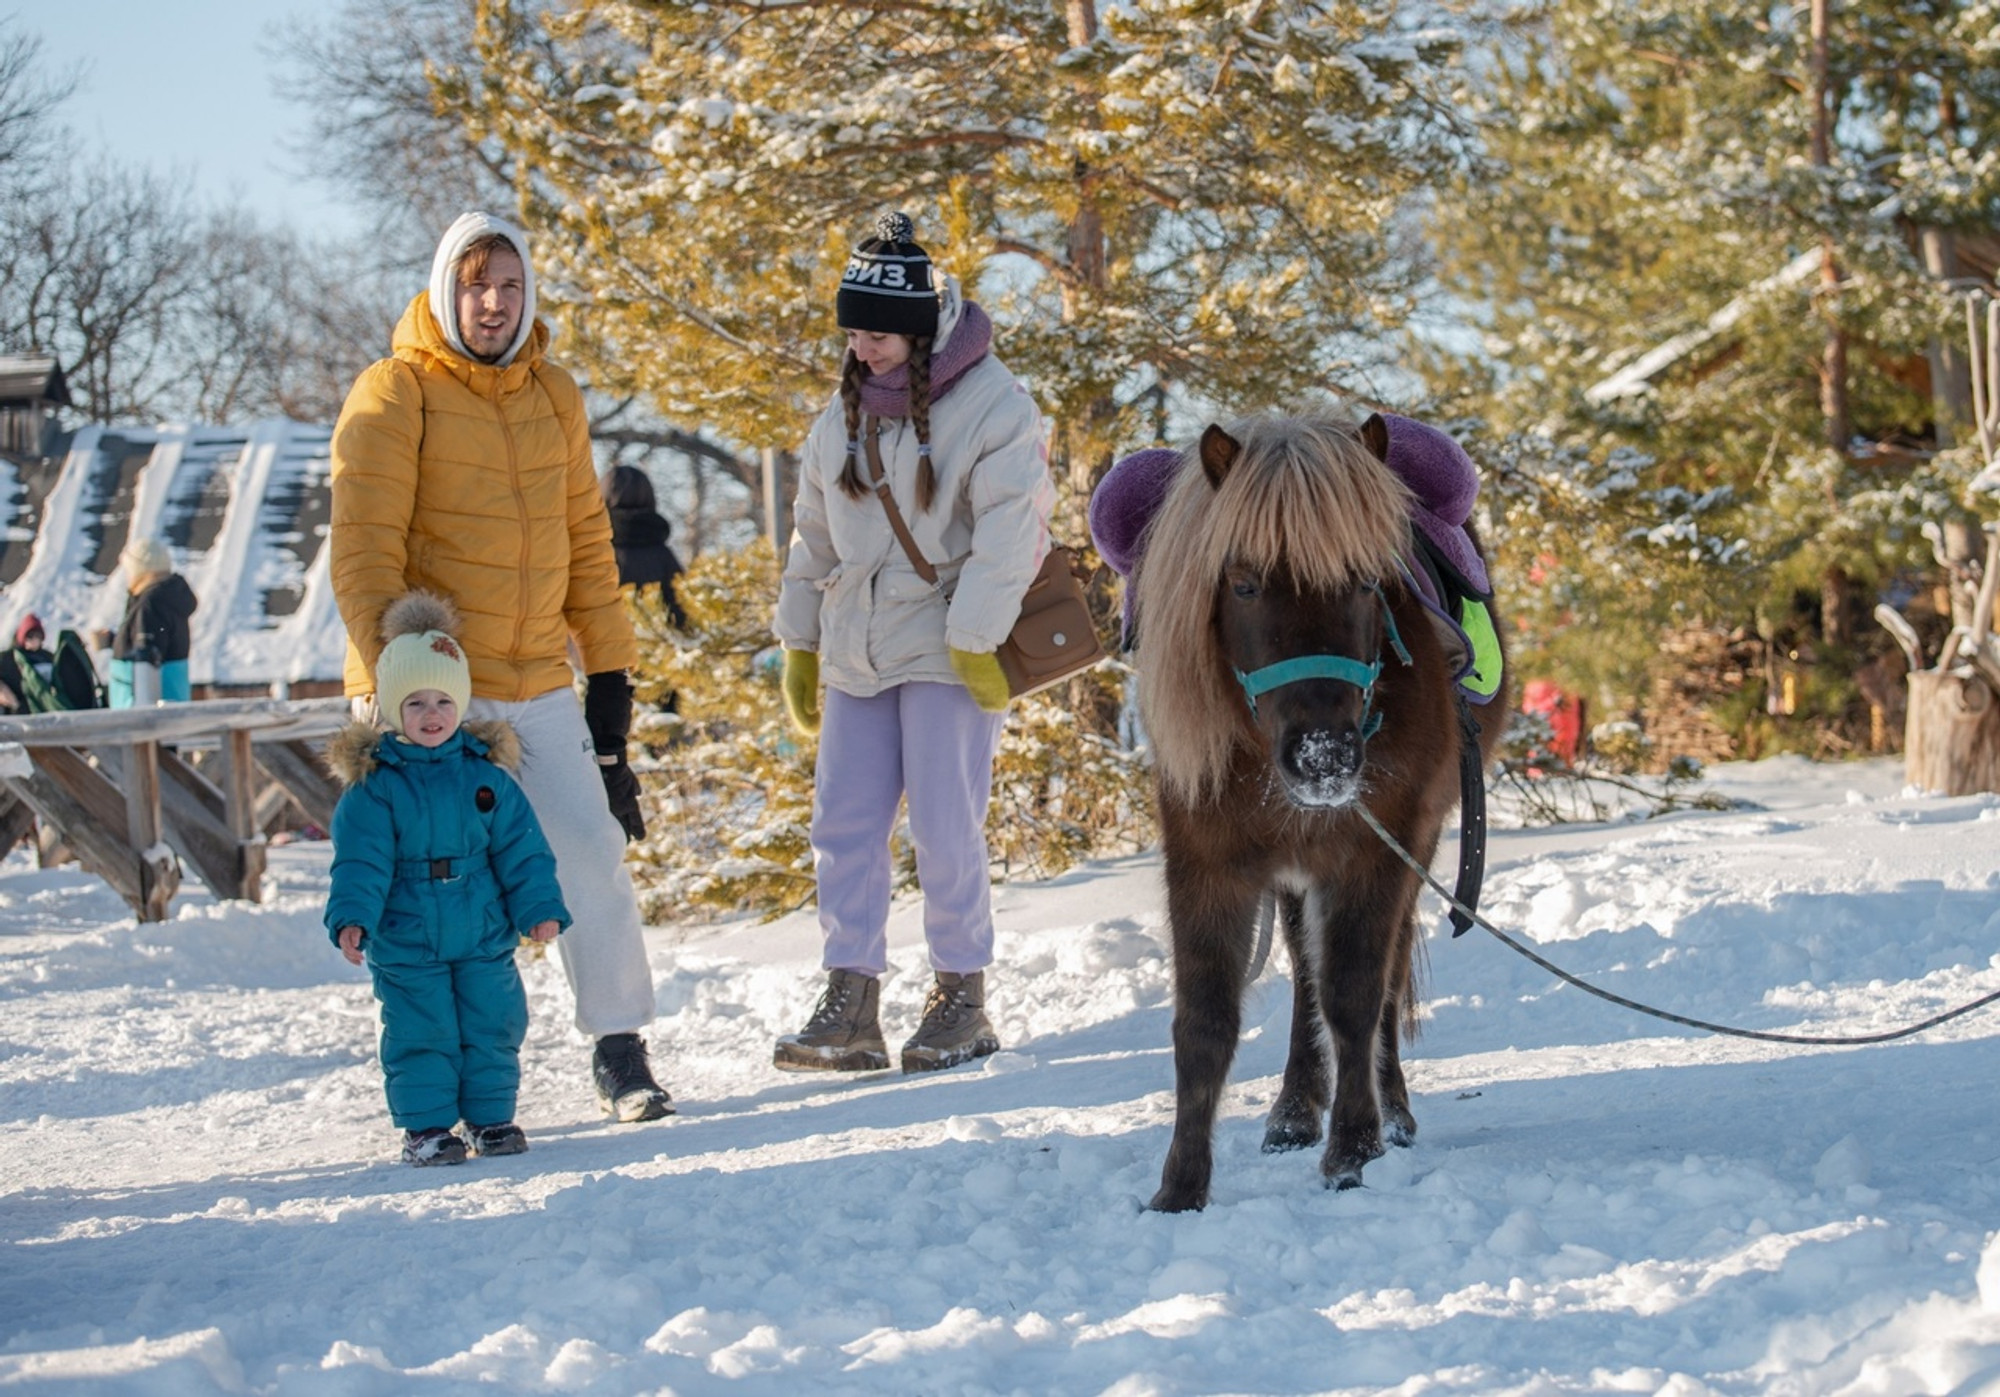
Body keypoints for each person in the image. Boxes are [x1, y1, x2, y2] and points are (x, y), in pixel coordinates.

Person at [328, 210, 673, 1124]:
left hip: (536, 679)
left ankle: (620, 1047)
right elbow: (364, 553)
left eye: (511, 286)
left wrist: (610, 687)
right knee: (441, 883)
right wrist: (393, 686)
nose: (494, 303)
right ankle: (436, 1077)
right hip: (440, 684)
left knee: (591, 852)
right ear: (447, 290)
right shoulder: (394, 392)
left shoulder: (554, 393)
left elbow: (587, 546)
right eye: (478, 284)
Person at [771, 211, 1052, 1075]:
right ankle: (850, 998)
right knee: (844, 823)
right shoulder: (843, 408)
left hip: (944, 643)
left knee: (944, 822)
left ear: (925, 328)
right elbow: (812, 528)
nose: (864, 346)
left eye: (881, 331)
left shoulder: (994, 405)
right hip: (857, 644)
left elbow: (1017, 526)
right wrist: (800, 639)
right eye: (854, 330)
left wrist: (974, 637)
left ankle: (959, 994)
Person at [324, 592, 568, 1166]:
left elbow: (522, 851)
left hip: (483, 930)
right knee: (421, 1029)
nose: (431, 714)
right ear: (390, 709)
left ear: (459, 703)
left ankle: (491, 1119)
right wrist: (352, 917)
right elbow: (359, 861)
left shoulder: (487, 779)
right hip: (407, 937)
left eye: (442, 700)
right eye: (414, 703)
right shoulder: (377, 788)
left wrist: (538, 906)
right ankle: (427, 1129)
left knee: (494, 1022)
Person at [108, 538, 197, 707]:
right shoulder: (169, 598)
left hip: (142, 713)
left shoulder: (151, 603)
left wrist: (141, 715)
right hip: (172, 702)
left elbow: (146, 658)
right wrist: (113, 641)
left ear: (139, 569)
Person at [601, 465, 689, 628]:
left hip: (597, 648)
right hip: (656, 649)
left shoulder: (590, 554)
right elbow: (684, 614)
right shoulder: (664, 558)